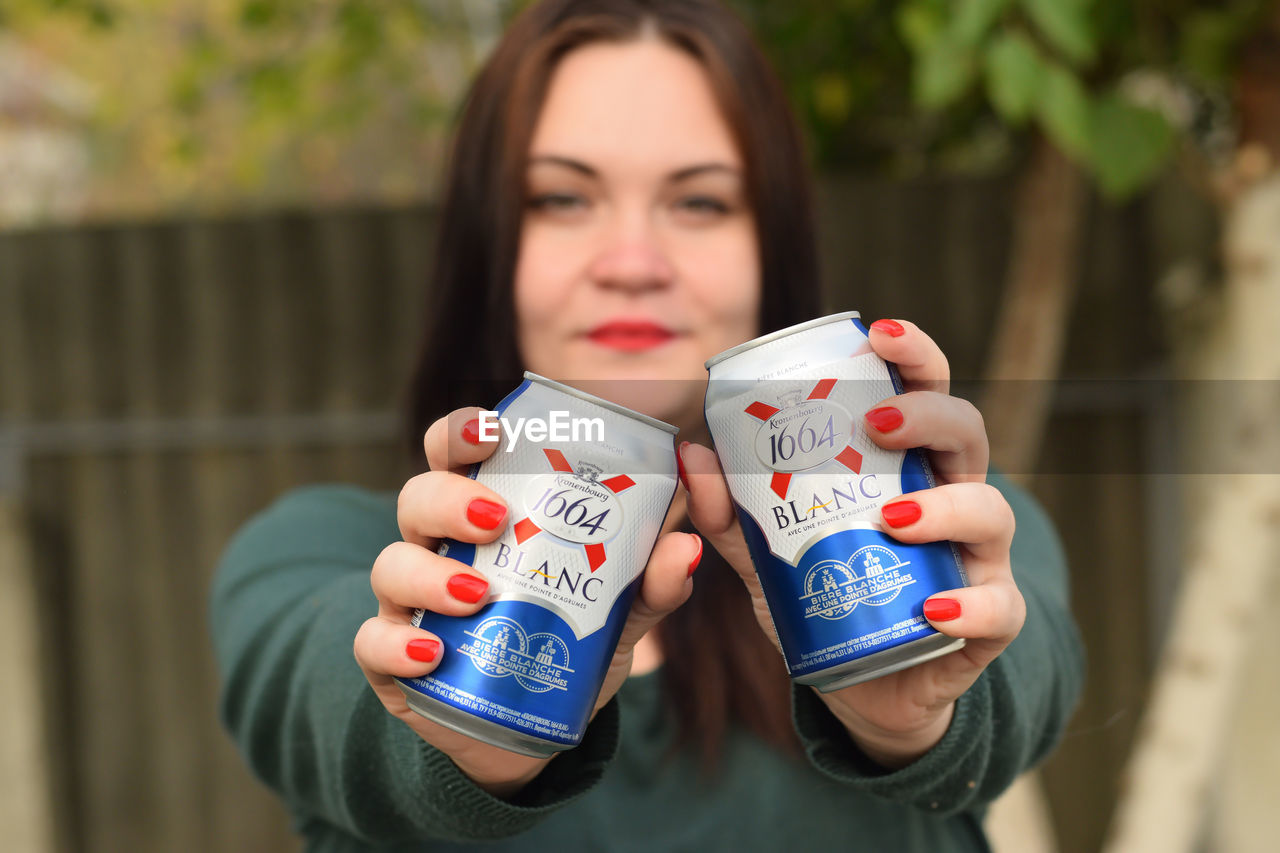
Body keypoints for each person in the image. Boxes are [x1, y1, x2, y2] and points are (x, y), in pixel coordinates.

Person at [210, 0, 1084, 850]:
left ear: (770, 251)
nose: (632, 263)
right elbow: (317, 687)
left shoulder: (961, 531)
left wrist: (920, 711)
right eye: (561, 198)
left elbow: (1028, 670)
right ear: (489, 245)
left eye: (699, 203)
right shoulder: (311, 550)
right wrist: (453, 716)